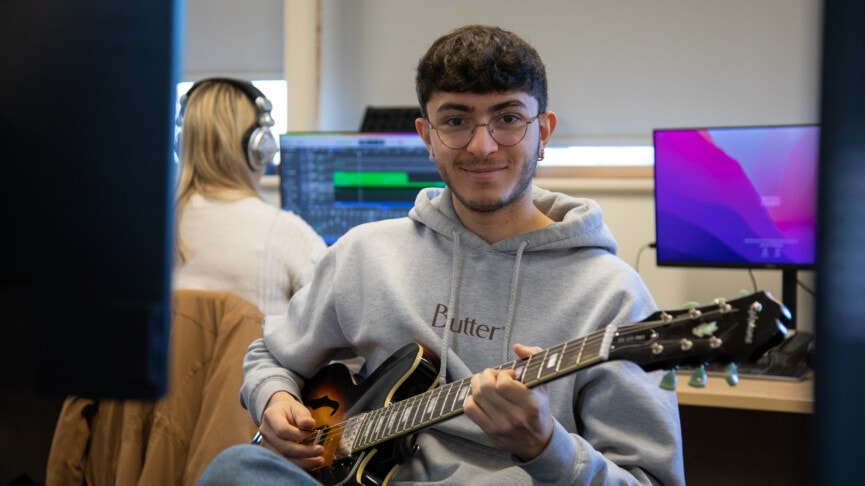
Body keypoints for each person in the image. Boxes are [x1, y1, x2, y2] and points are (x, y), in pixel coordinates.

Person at [199, 25, 685, 485]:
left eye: (508, 119)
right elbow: (272, 353)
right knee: (237, 466)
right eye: (455, 121)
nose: (481, 144)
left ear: (545, 133)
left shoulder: (614, 296)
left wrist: (547, 447)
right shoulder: (367, 254)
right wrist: (274, 396)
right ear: (427, 136)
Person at [173, 77, 327, 316]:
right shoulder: (286, 234)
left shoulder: (149, 232)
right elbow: (340, 323)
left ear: (182, 145)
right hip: (253, 355)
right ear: (259, 149)